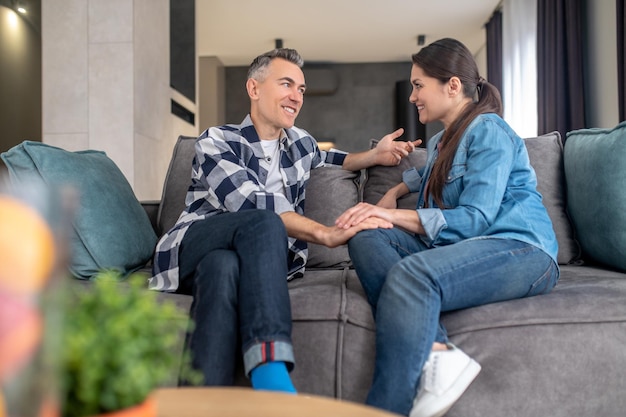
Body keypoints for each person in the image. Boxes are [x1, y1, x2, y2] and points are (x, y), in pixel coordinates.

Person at [149, 48, 419, 394]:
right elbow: (248, 202)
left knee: (223, 269)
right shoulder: (217, 140)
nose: (296, 96)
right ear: (254, 88)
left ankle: (199, 400)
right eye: (287, 84)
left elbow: (334, 158)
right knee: (263, 221)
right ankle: (272, 376)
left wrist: (375, 155)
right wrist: (324, 233)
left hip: (235, 258)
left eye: (302, 89)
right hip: (197, 241)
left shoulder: (301, 143)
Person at [335, 38, 560, 417]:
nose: (412, 96)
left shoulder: (489, 130)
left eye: (418, 85)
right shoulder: (442, 141)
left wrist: (390, 214)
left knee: (411, 275)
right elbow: (429, 172)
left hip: (520, 248)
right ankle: (438, 349)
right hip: (463, 249)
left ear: (452, 86)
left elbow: (475, 218)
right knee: (366, 237)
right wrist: (394, 190)